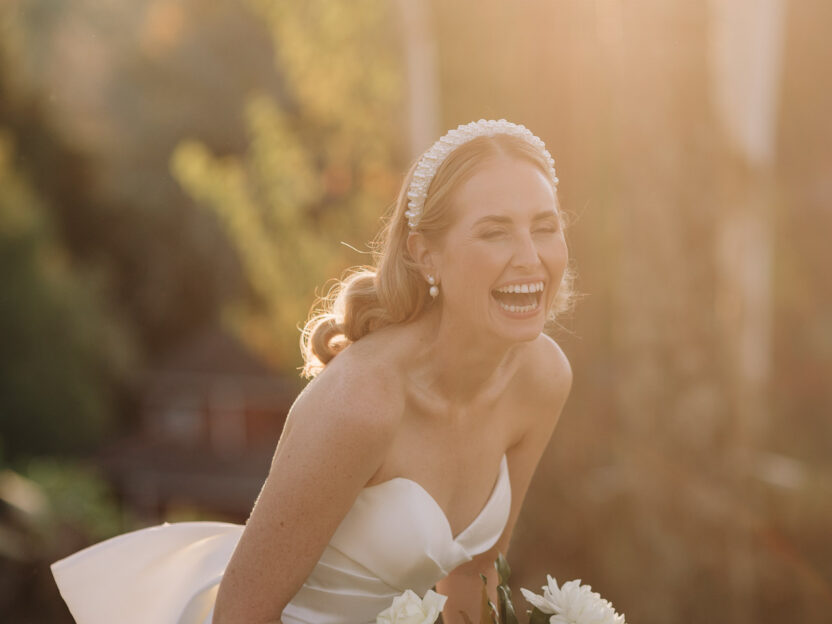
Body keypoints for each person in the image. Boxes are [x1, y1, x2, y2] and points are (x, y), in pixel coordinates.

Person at [50, 119, 574, 624]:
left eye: (544, 227)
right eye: (495, 233)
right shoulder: (361, 403)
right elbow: (243, 616)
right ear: (426, 256)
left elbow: (476, 574)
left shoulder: (543, 377)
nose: (530, 257)